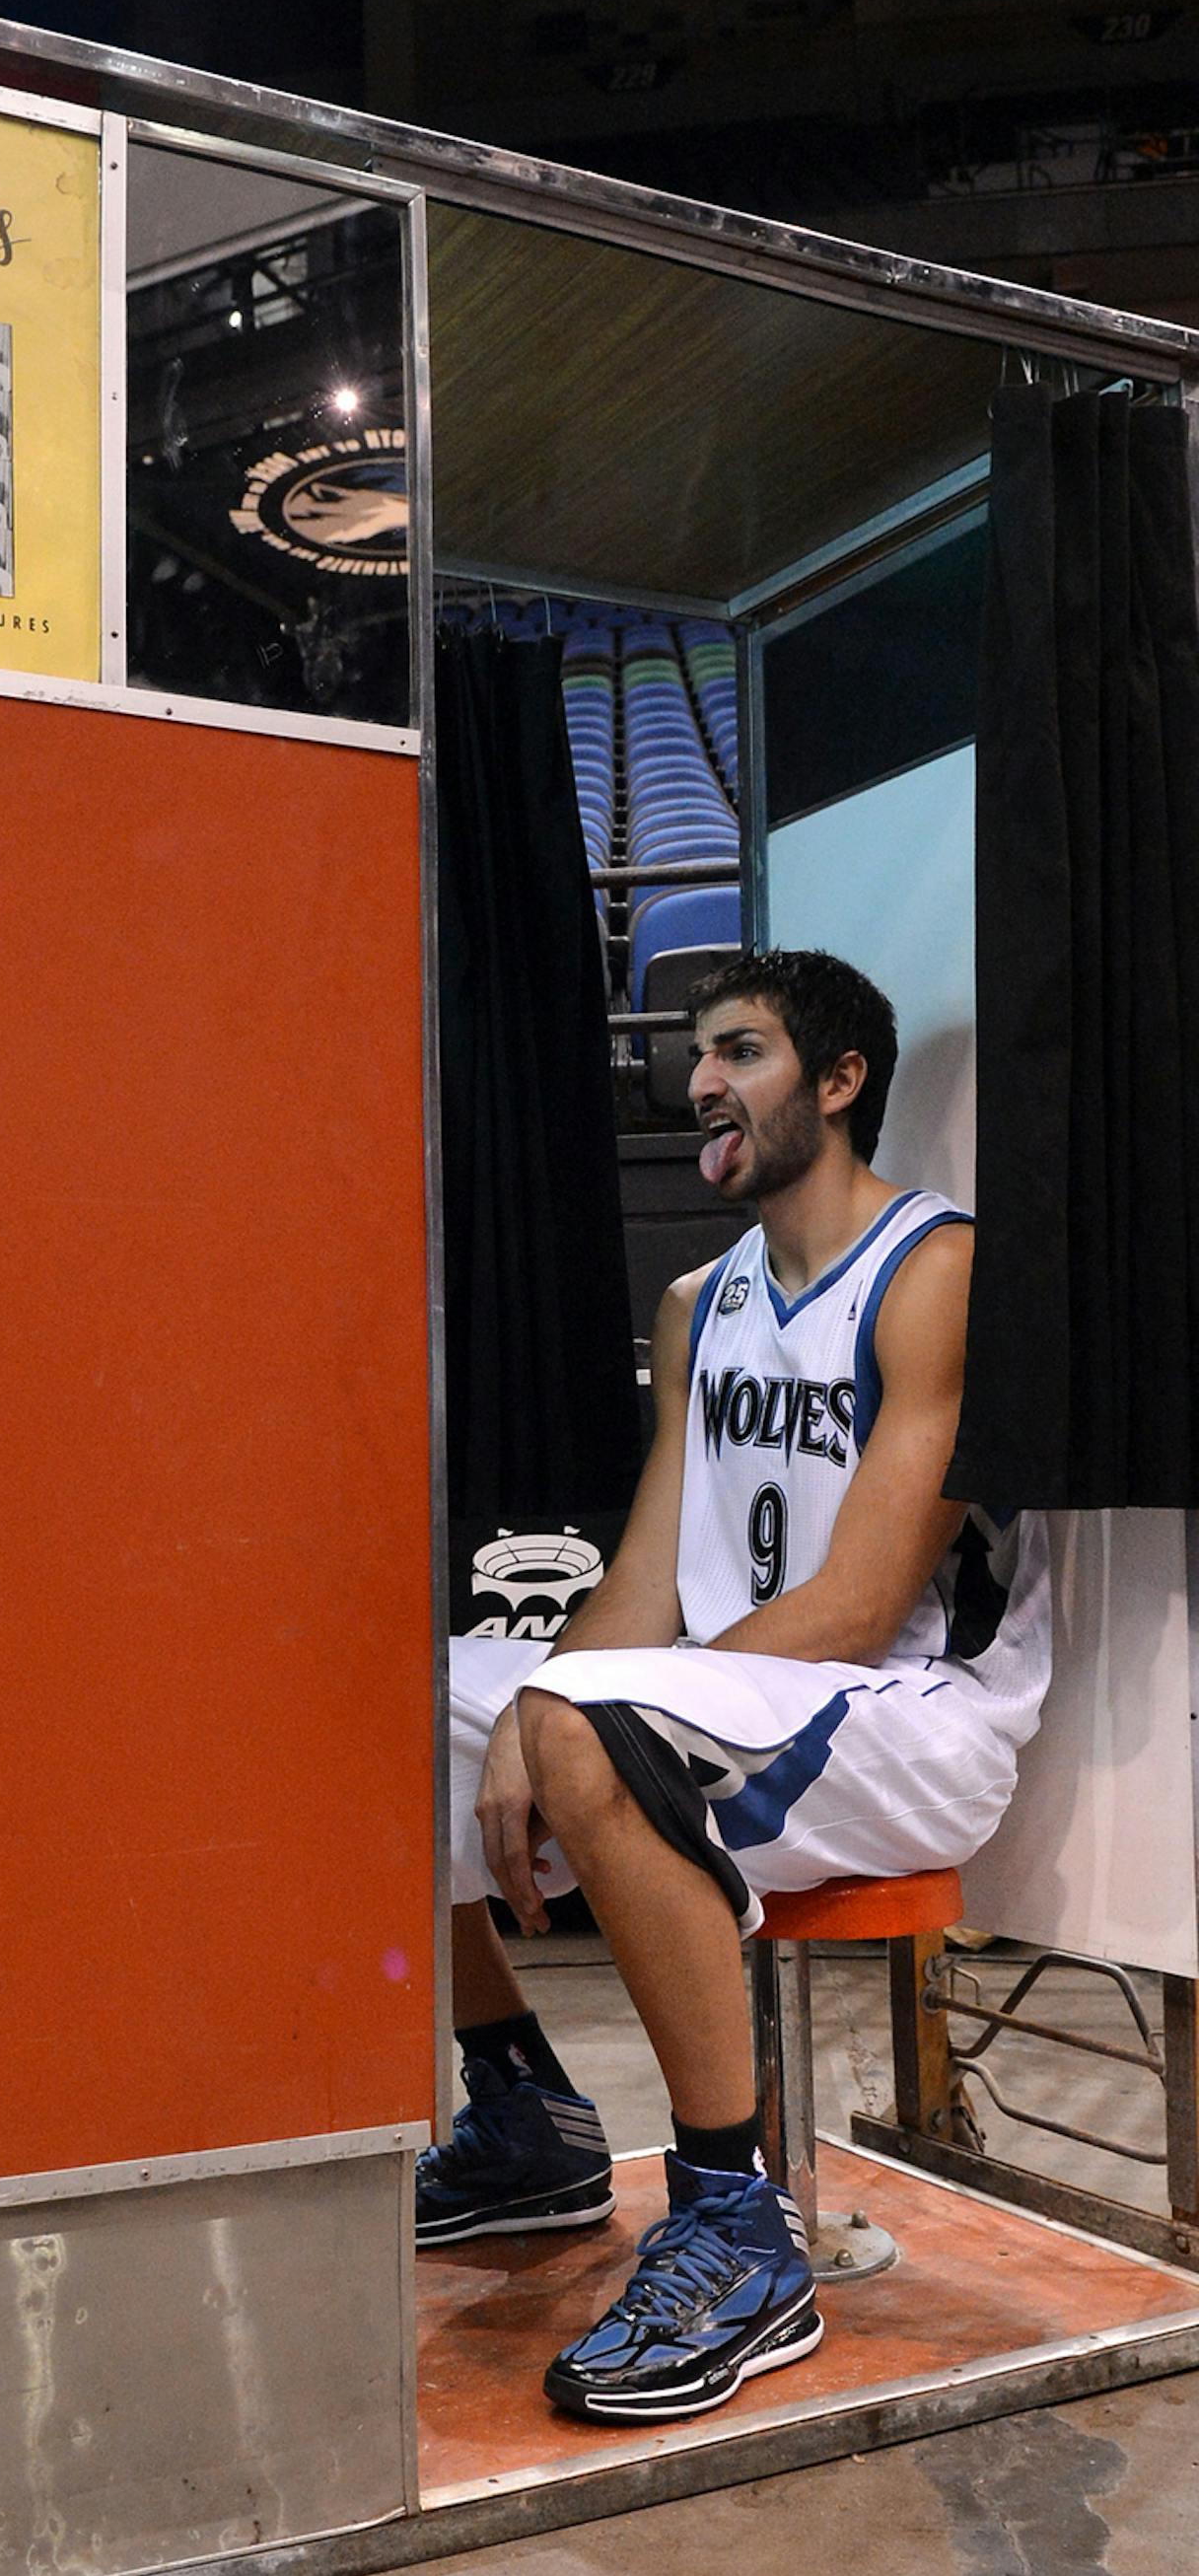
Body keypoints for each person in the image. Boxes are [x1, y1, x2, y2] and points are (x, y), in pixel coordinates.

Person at [417, 950, 1049, 2426]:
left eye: (743, 1050)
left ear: (839, 1085)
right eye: (698, 1054)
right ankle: (521, 2110)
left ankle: (733, 2224)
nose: (700, 1078)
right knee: (378, 1698)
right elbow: (647, 1578)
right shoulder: (702, 1299)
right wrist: (533, 1697)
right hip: (749, 1694)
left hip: (915, 1714)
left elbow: (854, 1608)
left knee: (584, 1721)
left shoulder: (935, 1269)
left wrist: (564, 1715)